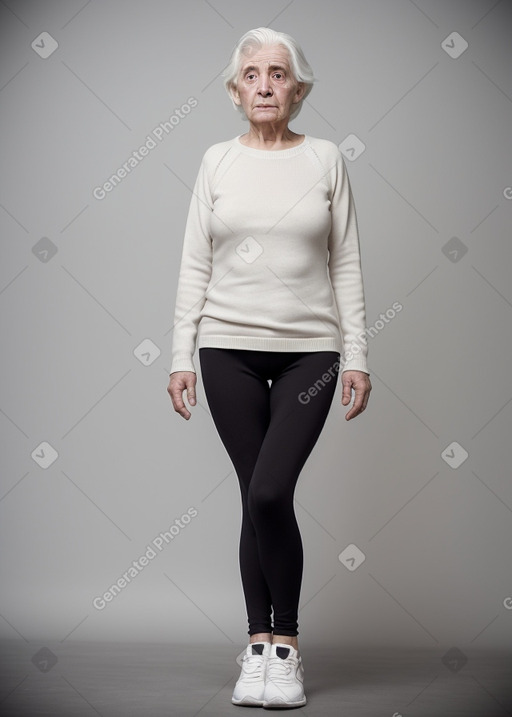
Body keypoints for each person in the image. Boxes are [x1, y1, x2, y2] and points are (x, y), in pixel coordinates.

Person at [167, 26, 372, 709]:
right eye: (251, 73)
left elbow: (346, 260)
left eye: (277, 73)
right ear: (235, 90)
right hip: (225, 349)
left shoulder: (325, 159)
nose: (264, 84)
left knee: (267, 494)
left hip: (309, 354)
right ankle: (257, 648)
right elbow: (195, 262)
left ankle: (286, 646)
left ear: (297, 88)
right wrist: (179, 356)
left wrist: (359, 356)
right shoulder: (216, 162)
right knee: (252, 493)